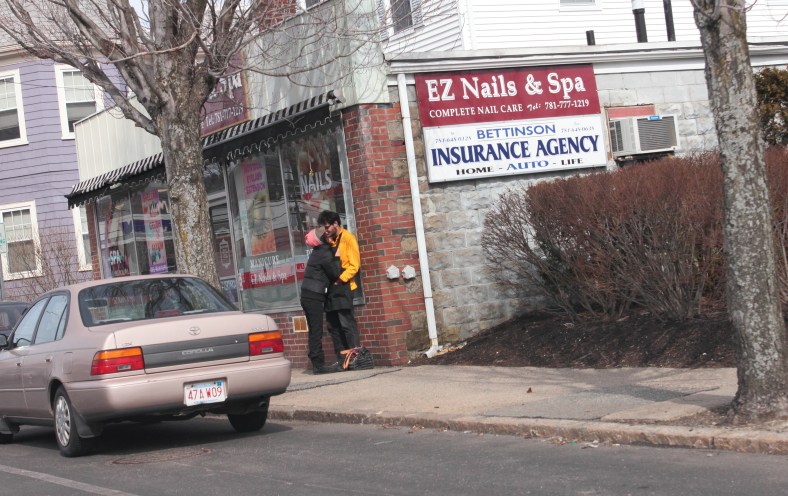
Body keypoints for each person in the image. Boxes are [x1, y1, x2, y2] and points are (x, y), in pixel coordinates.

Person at [318, 210, 362, 363]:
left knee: (346, 324)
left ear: (336, 223)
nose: (326, 230)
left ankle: (356, 356)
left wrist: (340, 280)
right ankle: (342, 358)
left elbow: (354, 265)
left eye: (327, 227)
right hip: (330, 289)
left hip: (344, 286)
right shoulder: (327, 241)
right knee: (333, 325)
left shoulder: (348, 238)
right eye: (323, 228)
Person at [300, 226, 342, 374]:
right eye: (327, 235)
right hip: (313, 296)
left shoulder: (317, 252)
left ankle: (316, 361)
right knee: (316, 330)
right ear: (324, 239)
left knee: (314, 330)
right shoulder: (324, 252)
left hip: (308, 295)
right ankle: (318, 365)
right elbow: (335, 272)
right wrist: (337, 256)